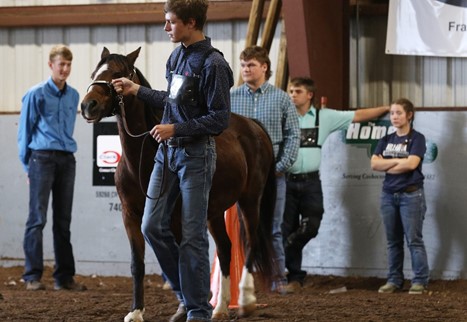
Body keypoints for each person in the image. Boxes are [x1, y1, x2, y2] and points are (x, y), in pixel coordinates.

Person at [111, 0, 234, 321]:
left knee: (193, 235)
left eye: (170, 22)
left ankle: (197, 312)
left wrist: (175, 127)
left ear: (191, 23)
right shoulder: (176, 56)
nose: (166, 28)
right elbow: (172, 99)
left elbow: (220, 119)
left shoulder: (214, 65)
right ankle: (190, 297)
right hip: (168, 154)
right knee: (152, 226)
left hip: (195, 156)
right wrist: (136, 89)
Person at [282, 77, 390, 293]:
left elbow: (358, 115)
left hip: (311, 181)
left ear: (309, 95)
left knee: (311, 225)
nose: (293, 95)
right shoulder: (283, 116)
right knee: (286, 228)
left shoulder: (325, 116)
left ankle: (288, 247)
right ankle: (294, 278)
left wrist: (387, 108)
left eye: (297, 91)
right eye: (291, 91)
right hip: (286, 181)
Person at [230, 45, 300, 292]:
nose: (246, 69)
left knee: (273, 227)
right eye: (243, 65)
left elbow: (293, 135)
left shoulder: (281, 98)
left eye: (251, 65)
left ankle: (277, 279)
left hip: (272, 174)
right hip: (240, 177)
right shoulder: (231, 98)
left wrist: (280, 166)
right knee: (241, 228)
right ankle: (242, 278)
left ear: (264, 67)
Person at [17, 44, 86, 292]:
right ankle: (32, 275)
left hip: (67, 159)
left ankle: (64, 277)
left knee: (63, 221)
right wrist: (28, 165)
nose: (65, 69)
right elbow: (24, 132)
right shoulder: (35, 94)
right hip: (41, 159)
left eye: (68, 65)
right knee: (37, 219)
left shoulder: (74, 95)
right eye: (61, 65)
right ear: (51, 65)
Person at [371, 98, 429, 295]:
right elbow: (374, 165)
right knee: (393, 241)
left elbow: (411, 164)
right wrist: (398, 162)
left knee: (414, 240)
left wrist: (388, 163)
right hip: (388, 196)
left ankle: (419, 280)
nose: (394, 117)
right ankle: (394, 280)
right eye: (392, 113)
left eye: (398, 113)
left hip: (411, 195)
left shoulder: (417, 138)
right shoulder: (385, 140)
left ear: (409, 115)